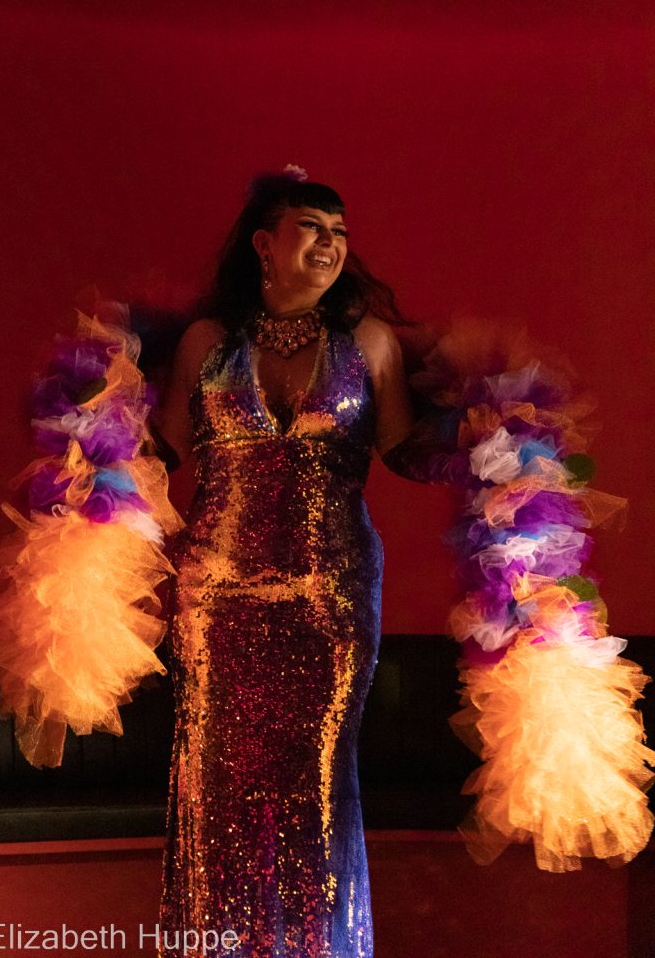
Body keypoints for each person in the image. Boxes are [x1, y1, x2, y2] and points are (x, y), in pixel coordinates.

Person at [150, 166, 421, 958]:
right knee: (217, 780)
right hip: (217, 599)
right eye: (313, 228)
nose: (331, 244)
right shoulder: (206, 343)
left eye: (340, 233)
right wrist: (84, 425)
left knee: (317, 780)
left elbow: (406, 452)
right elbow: (164, 450)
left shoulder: (368, 343)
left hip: (328, 597)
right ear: (264, 245)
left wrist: (503, 434)